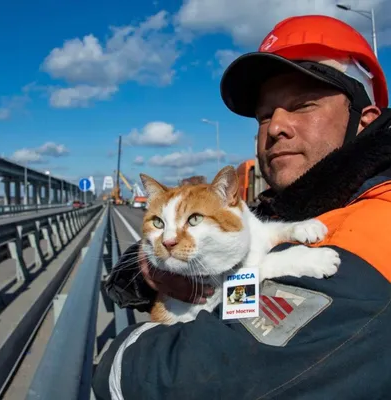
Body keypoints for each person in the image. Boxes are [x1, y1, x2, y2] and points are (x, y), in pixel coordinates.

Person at [93, 15, 391, 400]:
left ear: (364, 122)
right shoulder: (294, 210)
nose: (276, 127)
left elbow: (190, 377)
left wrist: (121, 351)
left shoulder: (374, 234)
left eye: (303, 105)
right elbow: (234, 289)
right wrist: (152, 271)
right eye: (265, 115)